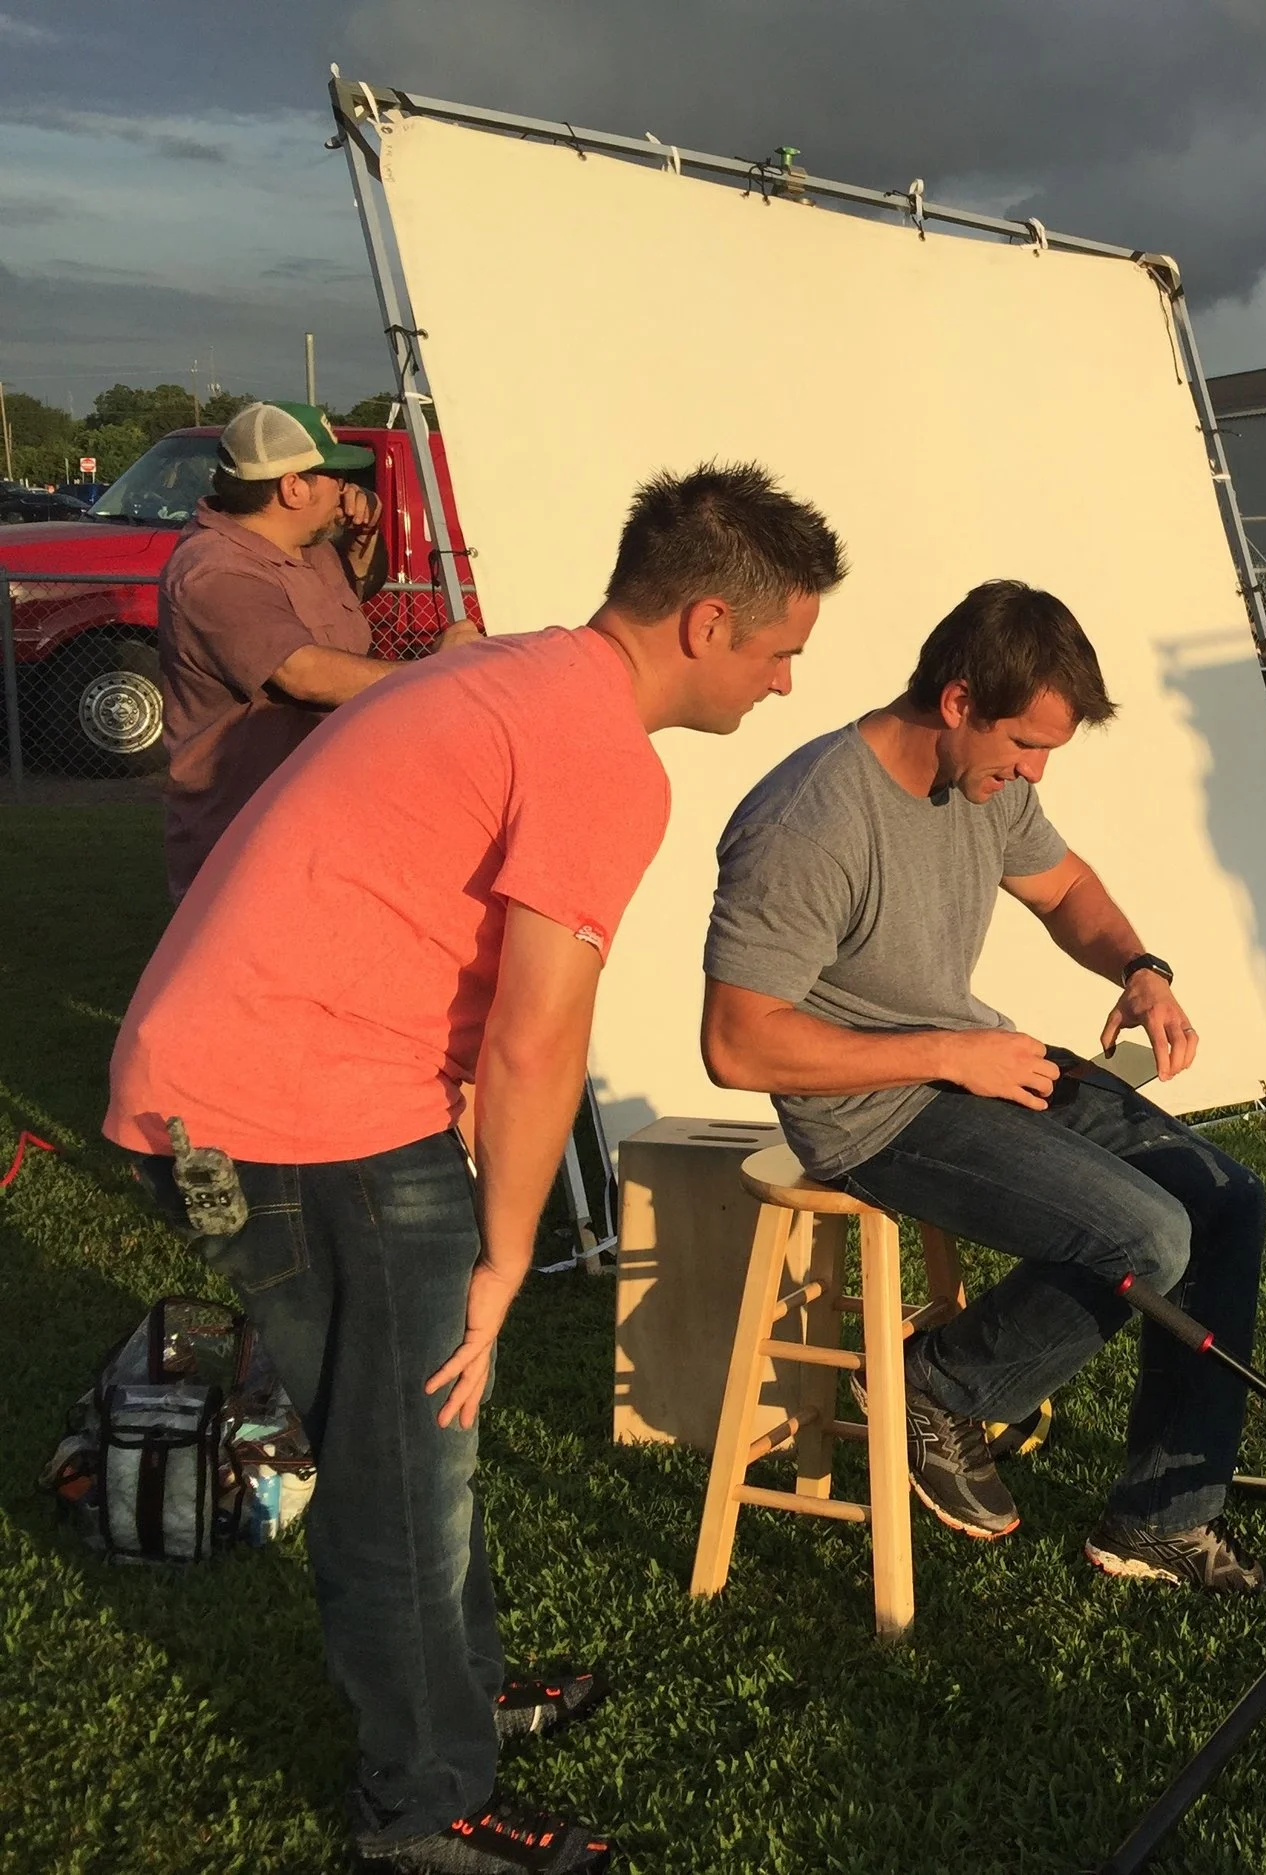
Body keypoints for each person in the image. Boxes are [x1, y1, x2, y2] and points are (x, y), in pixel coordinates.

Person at [104, 463, 848, 1875]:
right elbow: (536, 1037)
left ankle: (464, 1690)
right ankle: (421, 1805)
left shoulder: (511, 671)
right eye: (779, 650)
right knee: (398, 1467)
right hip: (300, 1117)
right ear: (706, 623)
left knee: (418, 1436)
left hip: (243, 1087)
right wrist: (509, 1256)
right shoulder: (598, 753)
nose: (784, 682)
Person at [700, 580, 1266, 1595]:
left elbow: (1066, 888)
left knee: (1227, 1200)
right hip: (870, 1115)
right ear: (959, 701)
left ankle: (1161, 1522)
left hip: (966, 1064)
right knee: (1148, 1236)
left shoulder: (988, 782)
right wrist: (947, 1054)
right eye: (1025, 745)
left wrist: (1140, 969)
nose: (1034, 772)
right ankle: (937, 1385)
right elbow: (738, 1045)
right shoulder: (809, 820)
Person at [156, 400, 480, 899]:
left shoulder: (307, 546)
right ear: (293, 488)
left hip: (314, 814)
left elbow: (358, 587)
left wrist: (364, 536)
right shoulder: (215, 571)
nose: (348, 490)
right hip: (246, 836)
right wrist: (435, 671)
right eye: (336, 475)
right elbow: (302, 672)